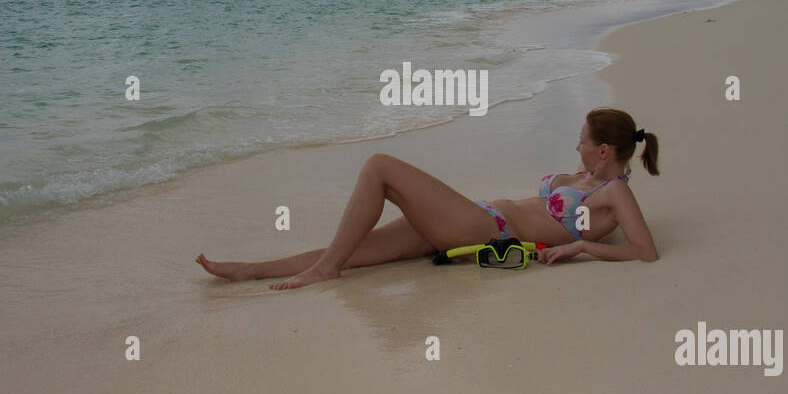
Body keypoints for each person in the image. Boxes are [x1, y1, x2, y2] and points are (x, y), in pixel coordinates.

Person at [196, 107, 659, 290]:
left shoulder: (614, 192)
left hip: (489, 233)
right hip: (476, 217)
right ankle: (251, 269)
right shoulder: (586, 175)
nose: (575, 146)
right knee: (354, 248)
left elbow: (645, 251)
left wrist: (580, 246)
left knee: (380, 166)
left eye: (581, 140)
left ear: (603, 149)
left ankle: (324, 270)